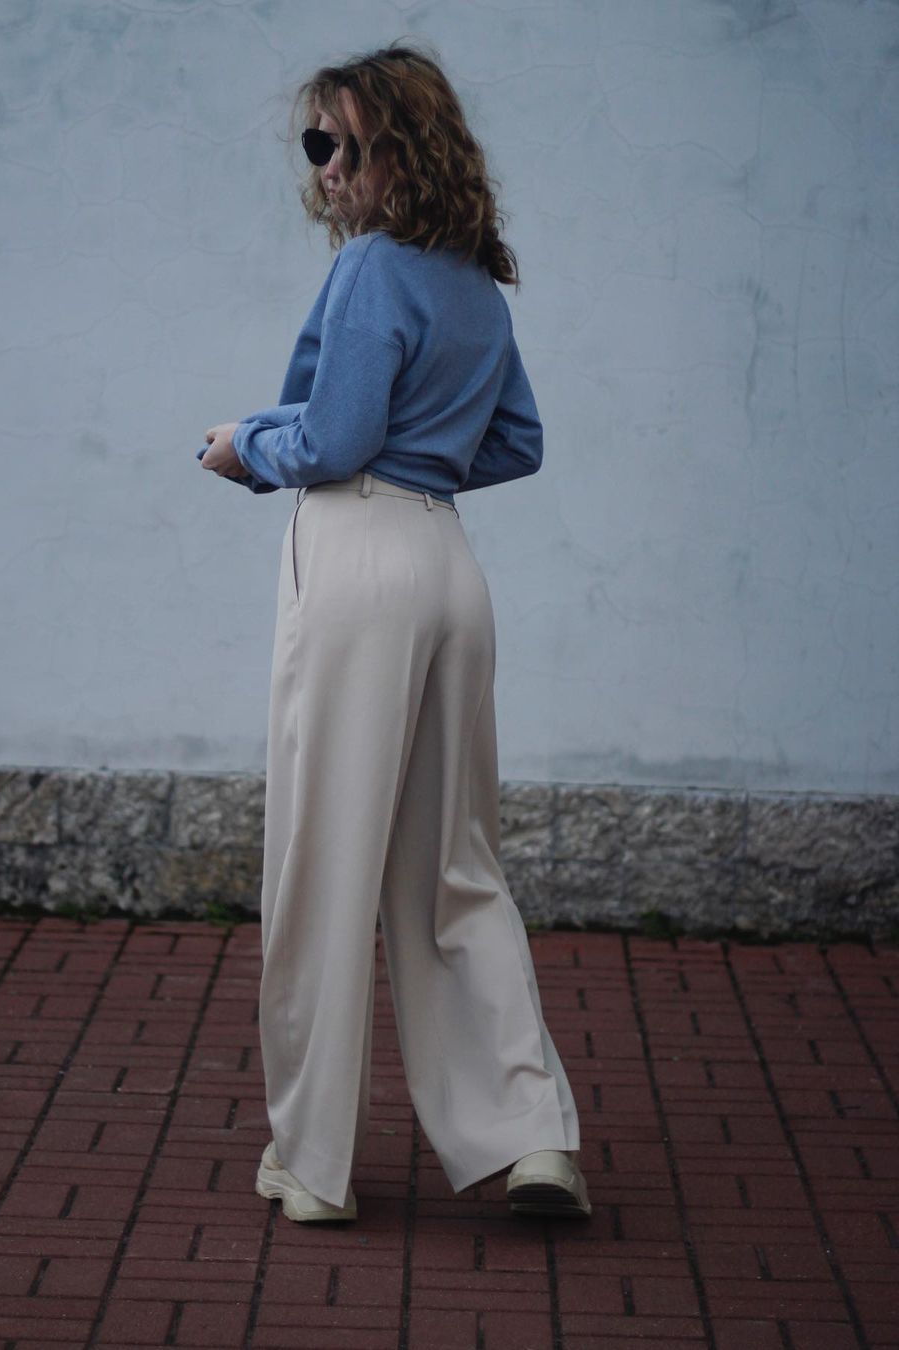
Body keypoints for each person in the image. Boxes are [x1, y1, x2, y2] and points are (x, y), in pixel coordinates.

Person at [197, 42, 590, 1224]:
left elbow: (333, 441)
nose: (323, 165)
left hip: (360, 558)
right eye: (314, 142)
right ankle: (534, 1134)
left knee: (324, 862)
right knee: (457, 869)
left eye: (340, 142)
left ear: (397, 151)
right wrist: (427, 452)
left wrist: (246, 447)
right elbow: (516, 442)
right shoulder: (475, 286)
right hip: (449, 568)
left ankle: (311, 1163)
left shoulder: (370, 267)